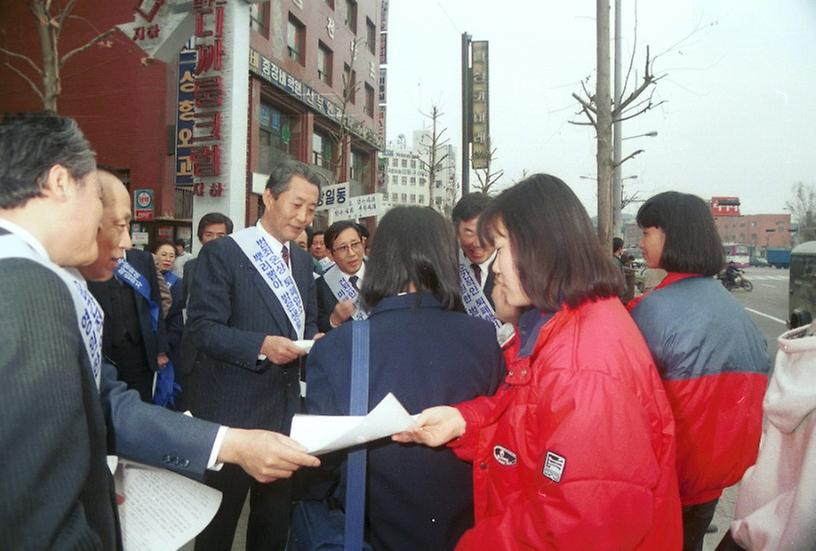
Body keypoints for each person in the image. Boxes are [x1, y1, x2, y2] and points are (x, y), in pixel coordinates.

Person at [0, 114, 319, 549]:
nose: (127, 241)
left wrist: (228, 443)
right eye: (102, 206)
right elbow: (33, 499)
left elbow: (106, 404)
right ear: (59, 183)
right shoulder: (24, 285)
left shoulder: (34, 277)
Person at [395, 174, 682, 549]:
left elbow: (578, 528)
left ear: (539, 246)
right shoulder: (563, 323)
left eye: (500, 249)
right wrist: (463, 422)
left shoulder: (583, 363)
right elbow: (529, 428)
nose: (494, 268)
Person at [306, 206, 505, 550]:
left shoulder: (338, 347)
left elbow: (318, 466)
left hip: (370, 532)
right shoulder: (485, 338)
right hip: (466, 533)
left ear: (379, 258)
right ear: (446, 258)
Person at [185, 160, 323, 551]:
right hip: (232, 417)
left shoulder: (301, 262)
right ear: (269, 196)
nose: (303, 218)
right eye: (296, 205)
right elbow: (203, 329)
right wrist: (261, 345)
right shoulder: (225, 253)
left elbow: (307, 324)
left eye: (311, 210)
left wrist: (317, 339)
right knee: (218, 527)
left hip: (282, 415)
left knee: (272, 526)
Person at [628, 191, 770, 551]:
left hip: (667, 480)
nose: (641, 240)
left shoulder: (651, 311)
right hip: (716, 479)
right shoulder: (733, 309)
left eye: (647, 231)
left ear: (673, 235)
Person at [88, 231, 169, 402]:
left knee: (141, 401)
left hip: (140, 349)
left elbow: (155, 304)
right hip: (106, 350)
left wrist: (161, 349)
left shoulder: (143, 259)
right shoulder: (90, 260)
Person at [316, 220, 367, 332]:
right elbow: (315, 326)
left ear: (363, 243)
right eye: (343, 248)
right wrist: (334, 320)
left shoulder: (383, 275)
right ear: (330, 254)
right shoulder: (320, 286)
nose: (351, 253)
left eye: (355, 244)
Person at [181, 212, 233, 307]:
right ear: (200, 238)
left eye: (220, 236)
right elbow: (185, 300)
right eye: (209, 235)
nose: (214, 239)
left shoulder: (236, 266)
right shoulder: (190, 266)